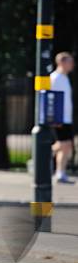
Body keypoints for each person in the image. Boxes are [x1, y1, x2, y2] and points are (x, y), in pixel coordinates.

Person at [50, 52, 75, 184]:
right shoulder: (55, 78)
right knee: (64, 144)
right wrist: (54, 118)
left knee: (66, 145)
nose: (72, 65)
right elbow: (50, 99)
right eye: (70, 62)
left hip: (66, 118)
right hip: (59, 118)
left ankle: (60, 172)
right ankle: (59, 172)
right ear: (61, 62)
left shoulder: (65, 78)